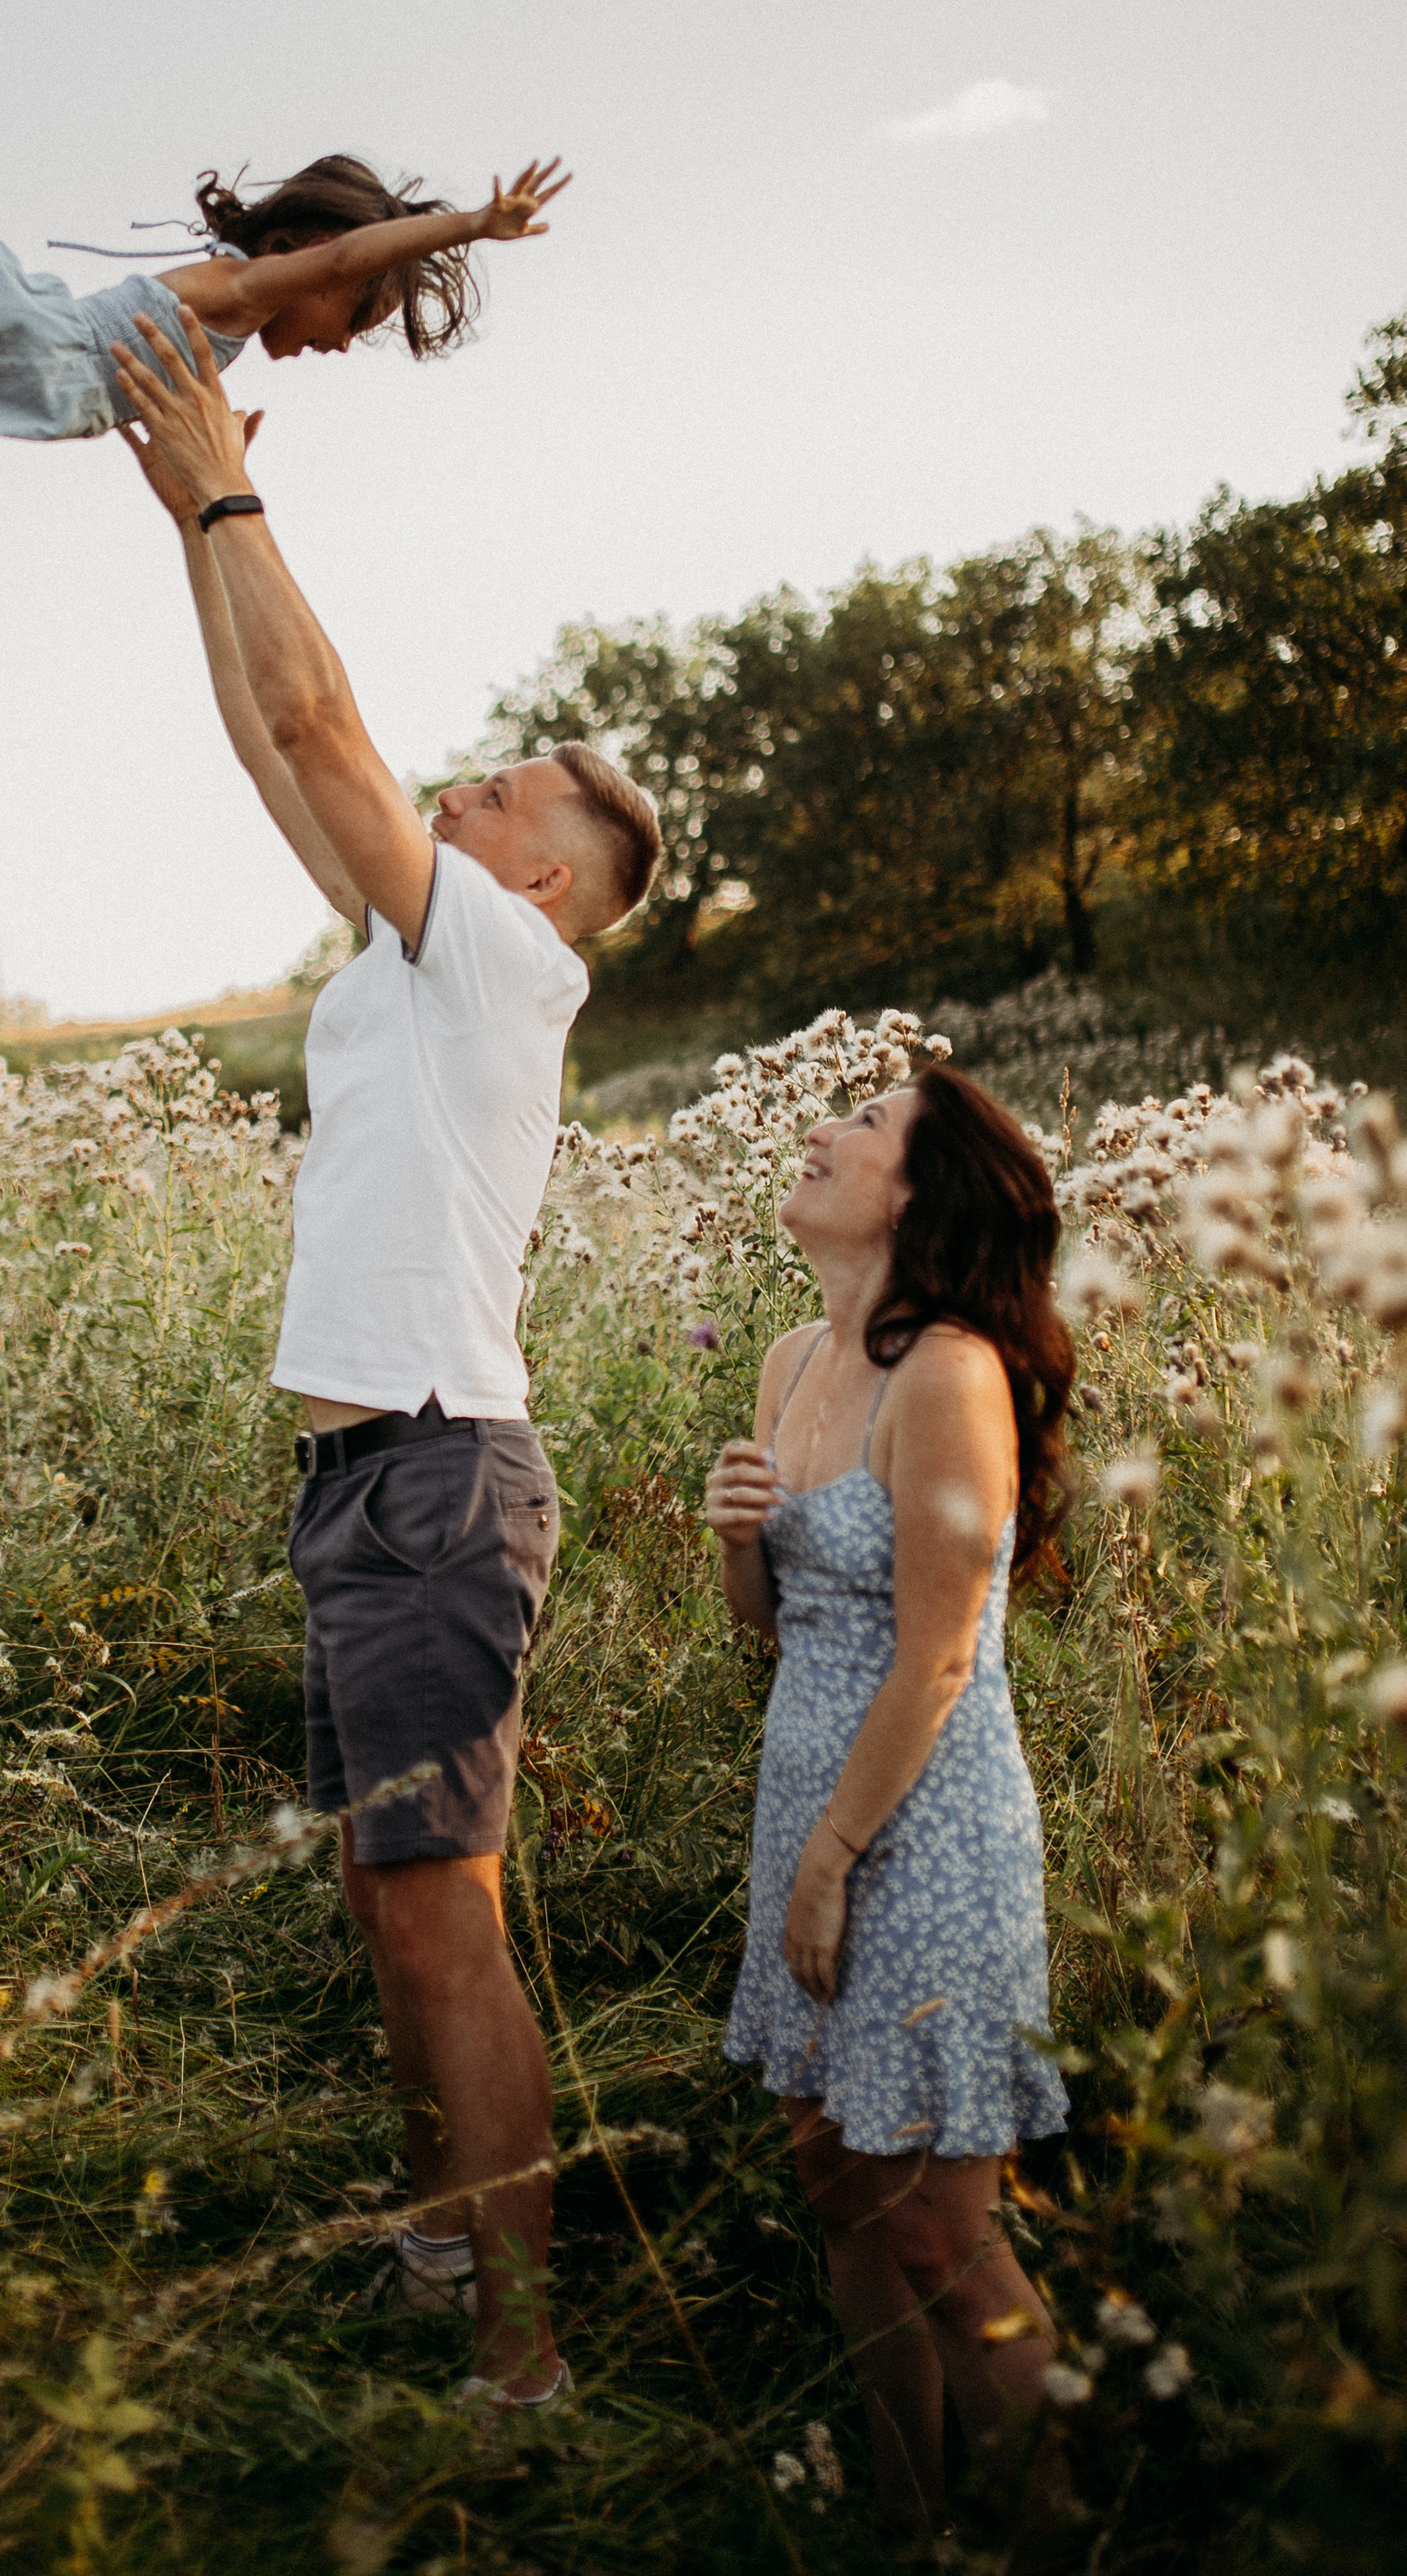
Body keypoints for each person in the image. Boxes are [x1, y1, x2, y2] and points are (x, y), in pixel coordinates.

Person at [111, 304, 660, 2411]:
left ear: (541, 874)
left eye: (510, 783)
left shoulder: (503, 952)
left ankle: (524, 2359)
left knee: (444, 1918)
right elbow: (277, 743)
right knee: (389, 1902)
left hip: (437, 1478)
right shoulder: (412, 953)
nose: (474, 769)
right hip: (374, 1482)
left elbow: (326, 720)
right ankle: (440, 2255)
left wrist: (235, 489)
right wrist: (190, 511)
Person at [702, 1066, 1075, 2531]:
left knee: (943, 2231)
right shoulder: (795, 1357)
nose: (821, 1131)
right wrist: (739, 1537)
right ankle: (906, 2526)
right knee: (838, 2185)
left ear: (918, 1196)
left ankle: (1057, 2529)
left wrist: (833, 1861)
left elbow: (936, 1656)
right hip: (810, 1807)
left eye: (860, 1125)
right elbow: (770, 1627)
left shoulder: (954, 1375)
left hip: (923, 1834)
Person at [0, 33, 568, 529]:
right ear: (310, 249)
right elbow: (340, 260)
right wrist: (475, 226)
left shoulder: (222, 333)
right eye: (353, 314)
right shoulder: (246, 290)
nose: (338, 339)